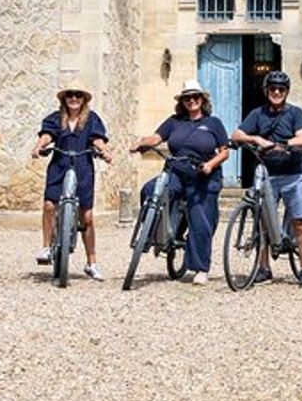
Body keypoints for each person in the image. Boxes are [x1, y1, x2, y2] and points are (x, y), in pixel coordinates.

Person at [130, 79, 229, 285]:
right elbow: (156, 138)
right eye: (187, 98)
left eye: (195, 97)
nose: (191, 101)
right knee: (149, 190)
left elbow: (224, 151)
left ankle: (200, 268)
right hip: (176, 172)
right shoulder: (174, 121)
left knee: (200, 219)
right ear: (182, 101)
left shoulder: (213, 123)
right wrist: (140, 143)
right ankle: (151, 232)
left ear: (202, 100)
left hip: (203, 175)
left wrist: (210, 164)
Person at [232, 70, 302, 286]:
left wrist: (287, 143)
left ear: (286, 92)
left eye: (281, 89)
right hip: (267, 174)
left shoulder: (295, 113)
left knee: (299, 222)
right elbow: (237, 135)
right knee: (263, 222)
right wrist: (257, 139)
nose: (276, 92)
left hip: (293, 173)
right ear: (266, 90)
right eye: (273, 89)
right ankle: (264, 267)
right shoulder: (258, 114)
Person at [31, 83, 113, 280]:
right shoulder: (56, 118)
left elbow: (97, 139)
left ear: (84, 99)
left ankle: (91, 262)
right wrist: (38, 146)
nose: (74, 98)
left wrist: (104, 151)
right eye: (70, 95)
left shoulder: (91, 119)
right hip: (59, 166)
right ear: (64, 98)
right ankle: (46, 248)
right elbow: (47, 135)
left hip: (83, 168)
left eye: (78, 95)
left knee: (87, 217)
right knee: (49, 205)